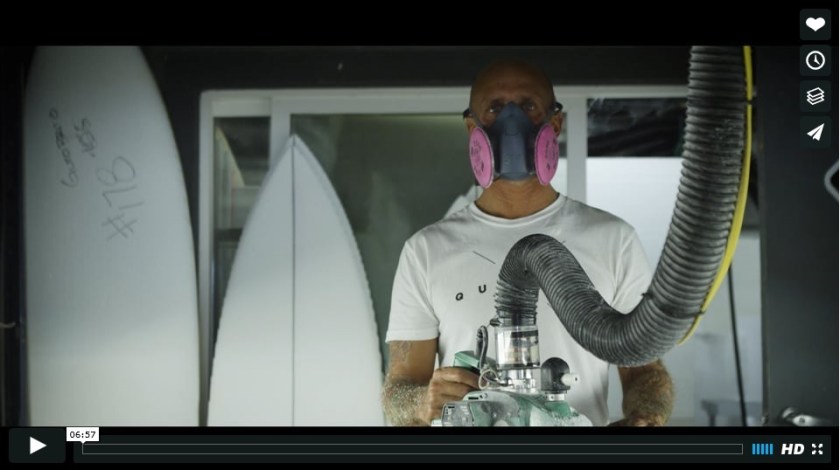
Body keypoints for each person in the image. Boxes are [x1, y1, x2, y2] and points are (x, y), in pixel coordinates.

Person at [381, 59, 674, 427]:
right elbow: (397, 391)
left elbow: (646, 372)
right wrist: (423, 401)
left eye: (528, 106)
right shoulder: (426, 251)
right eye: (495, 108)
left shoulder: (614, 240)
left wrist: (646, 418)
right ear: (473, 128)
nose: (512, 121)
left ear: (555, 124)